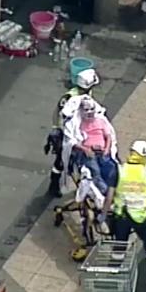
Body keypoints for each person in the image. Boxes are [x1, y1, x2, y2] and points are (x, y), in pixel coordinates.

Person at [101, 140, 146, 283]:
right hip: (141, 218)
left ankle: (111, 278)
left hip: (122, 217)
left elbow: (109, 197)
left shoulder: (119, 170)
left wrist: (102, 217)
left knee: (119, 249)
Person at [47, 69, 101, 197]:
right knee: (62, 161)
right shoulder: (71, 98)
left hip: (77, 133)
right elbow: (60, 116)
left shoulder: (79, 95)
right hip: (66, 134)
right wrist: (60, 131)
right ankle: (54, 186)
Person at [72, 98, 116, 194]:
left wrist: (107, 149)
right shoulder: (79, 124)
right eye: (86, 110)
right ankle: (106, 193)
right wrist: (86, 149)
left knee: (111, 169)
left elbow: (108, 136)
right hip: (89, 153)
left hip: (103, 151)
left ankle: (112, 189)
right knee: (95, 171)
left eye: (92, 109)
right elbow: (74, 142)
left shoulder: (101, 121)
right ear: (81, 111)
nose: (90, 112)